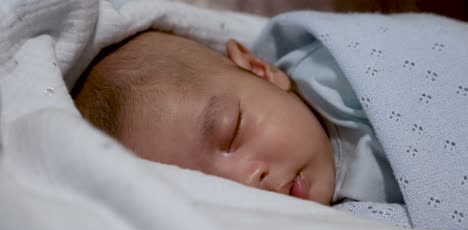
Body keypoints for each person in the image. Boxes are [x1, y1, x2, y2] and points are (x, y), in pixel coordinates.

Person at [74, 30, 400, 206]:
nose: (248, 182)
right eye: (215, 189)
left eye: (233, 133)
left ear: (260, 70)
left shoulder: (340, 77)